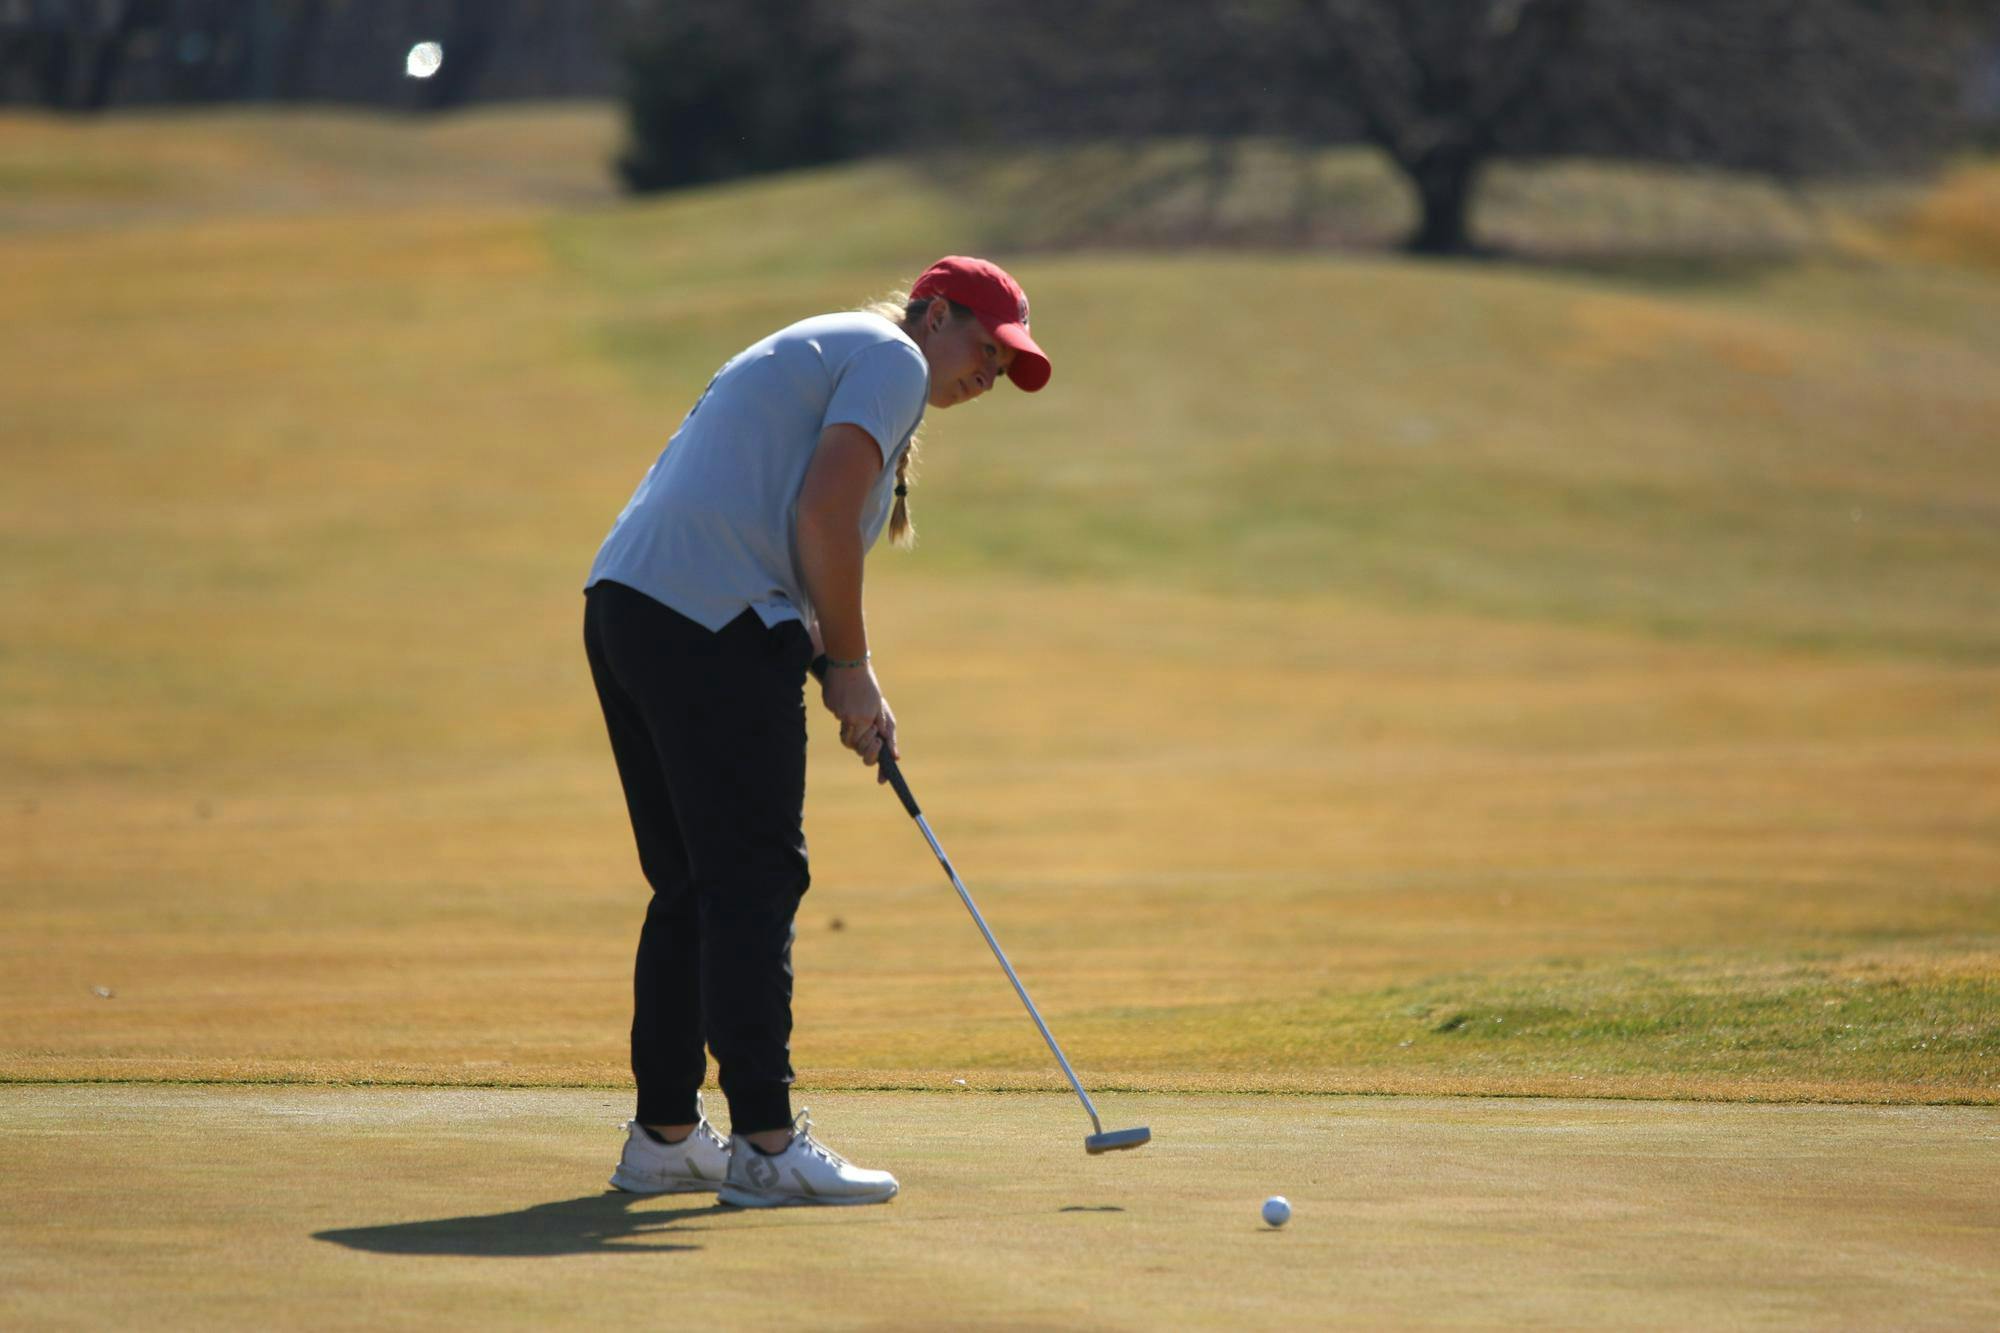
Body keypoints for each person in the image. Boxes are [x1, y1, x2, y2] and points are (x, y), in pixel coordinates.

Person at [582, 257, 1051, 1208]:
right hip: (709, 619)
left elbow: (786, 524)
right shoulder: (892, 358)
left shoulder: (840, 347)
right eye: (987, 349)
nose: (990, 375)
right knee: (754, 876)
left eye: (1007, 367)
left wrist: (833, 665)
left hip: (631, 607)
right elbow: (824, 513)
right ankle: (765, 1142)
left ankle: (666, 1136)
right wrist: (849, 665)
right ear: (934, 312)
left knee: (692, 882)